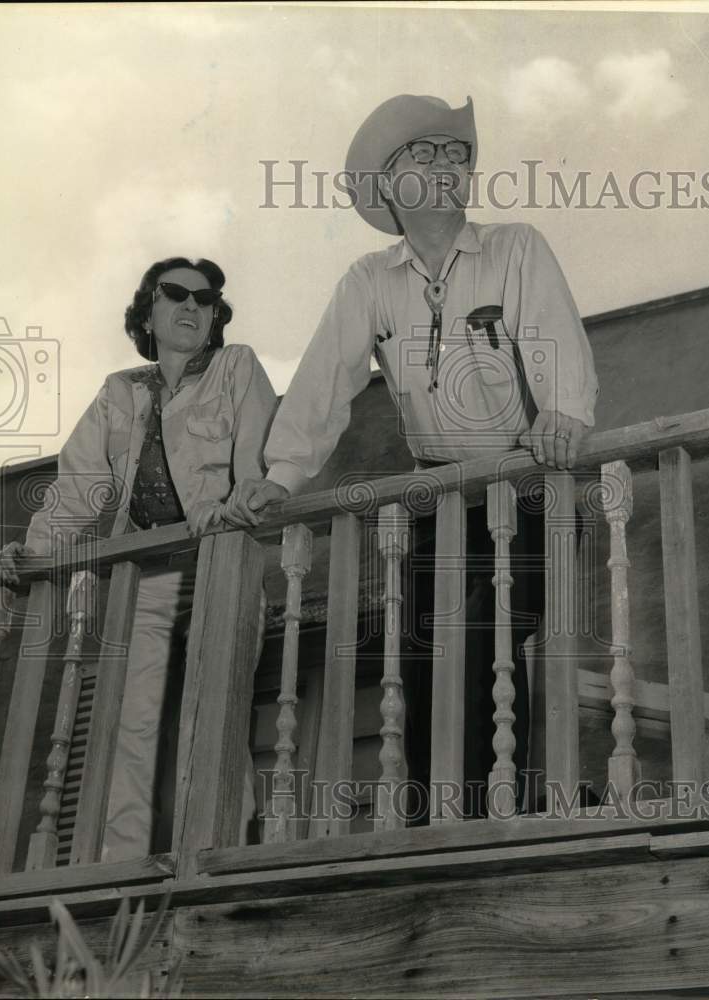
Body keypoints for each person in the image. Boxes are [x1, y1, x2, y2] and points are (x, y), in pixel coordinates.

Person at [229, 95, 599, 818]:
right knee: (430, 650)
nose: (444, 165)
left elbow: (558, 343)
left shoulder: (516, 247)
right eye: (422, 154)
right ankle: (445, 812)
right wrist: (280, 477)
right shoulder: (368, 281)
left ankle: (494, 805)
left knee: (480, 633)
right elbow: (322, 383)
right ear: (388, 183)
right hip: (440, 501)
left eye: (454, 154)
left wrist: (563, 412)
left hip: (526, 486)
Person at [0, 257, 277, 859]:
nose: (194, 307)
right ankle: (123, 876)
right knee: (130, 729)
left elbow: (256, 458)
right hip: (142, 574)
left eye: (208, 300)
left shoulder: (235, 366)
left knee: (213, 715)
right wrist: (33, 553)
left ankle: (220, 860)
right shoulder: (121, 392)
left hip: (218, 562)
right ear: (149, 309)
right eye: (177, 294)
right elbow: (77, 492)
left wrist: (236, 502)